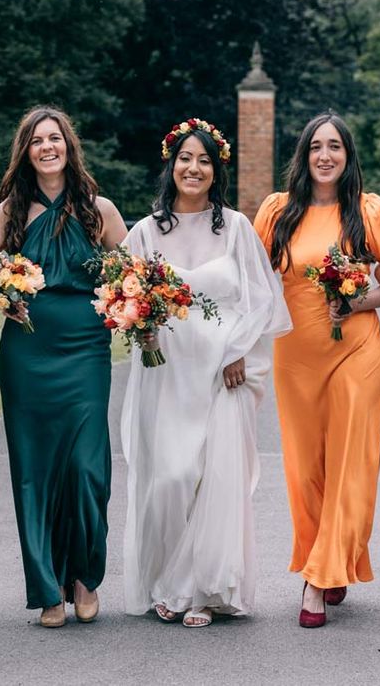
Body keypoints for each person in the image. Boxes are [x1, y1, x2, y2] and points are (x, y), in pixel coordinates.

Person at [121, 118, 291, 628]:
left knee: (213, 479)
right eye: (185, 159)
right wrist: (141, 330)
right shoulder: (145, 231)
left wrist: (239, 350)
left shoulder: (235, 227)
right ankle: (165, 580)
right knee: (170, 477)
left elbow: (264, 300)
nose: (193, 168)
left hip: (223, 373)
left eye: (204, 161)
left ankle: (201, 590)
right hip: (167, 373)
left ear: (215, 171)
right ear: (171, 165)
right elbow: (125, 300)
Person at [0, 106, 127, 627]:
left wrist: (135, 309)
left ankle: (83, 576)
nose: (47, 147)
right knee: (35, 473)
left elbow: (132, 277)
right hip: (27, 355)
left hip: (85, 351)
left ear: (68, 146)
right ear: (26, 151)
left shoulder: (98, 210)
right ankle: (48, 589)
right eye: (36, 141)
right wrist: (0, 299)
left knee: (84, 467)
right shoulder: (7, 213)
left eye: (54, 138)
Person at [253, 112, 380, 628]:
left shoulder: (367, 210)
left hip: (356, 352)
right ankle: (331, 555)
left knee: (350, 461)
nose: (325, 156)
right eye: (316, 147)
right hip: (294, 357)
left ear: (348, 157)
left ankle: (318, 579)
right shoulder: (277, 211)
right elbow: (250, 277)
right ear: (303, 155)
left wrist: (361, 297)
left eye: (335, 147)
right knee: (305, 470)